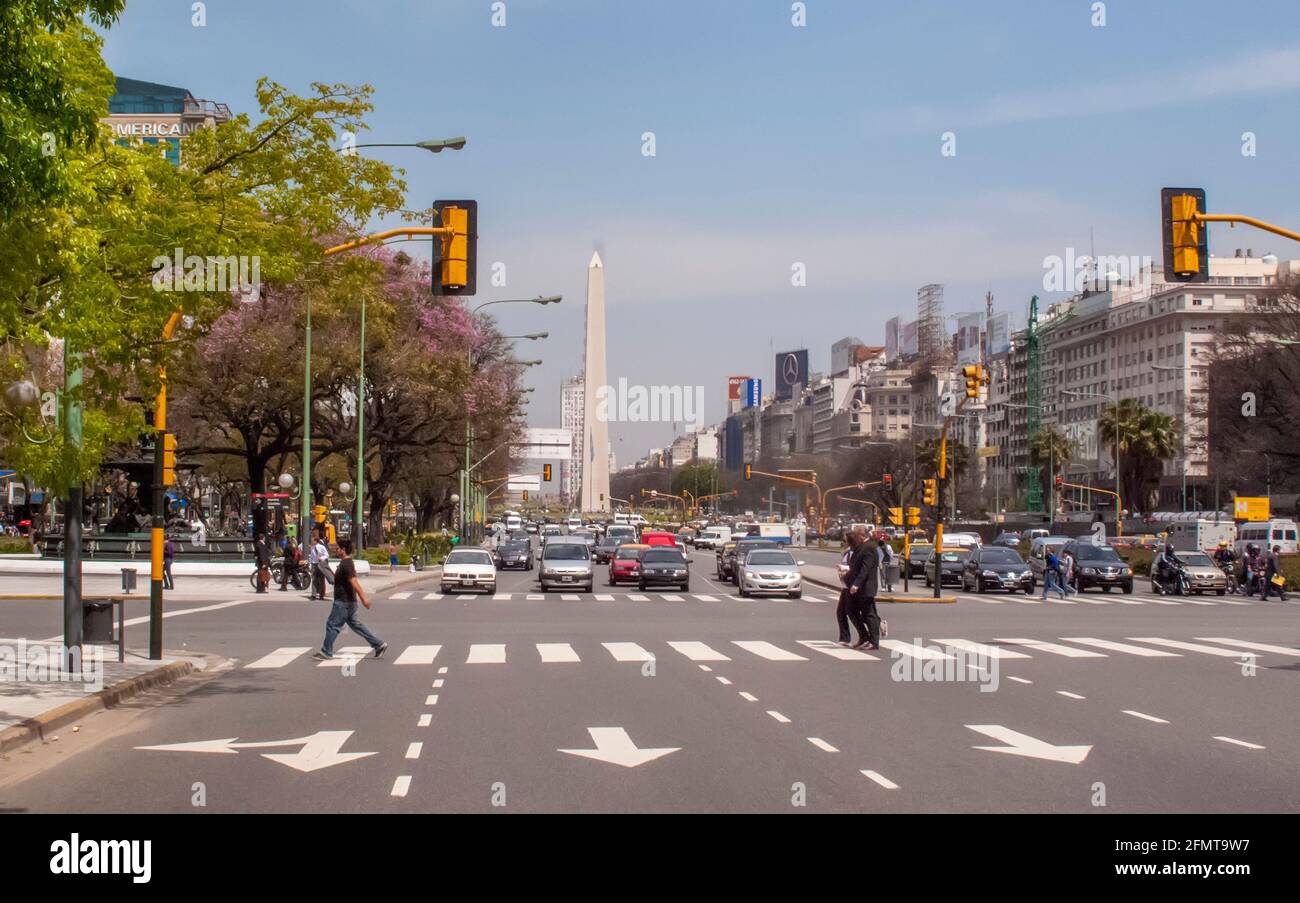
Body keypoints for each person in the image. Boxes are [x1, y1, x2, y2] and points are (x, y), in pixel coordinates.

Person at [312, 539, 388, 660]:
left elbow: (354, 582)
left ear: (343, 550)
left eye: (338, 548)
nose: (336, 550)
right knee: (356, 625)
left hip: (344, 602)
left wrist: (364, 599)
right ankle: (379, 645)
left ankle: (326, 652)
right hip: (349, 601)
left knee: (332, 625)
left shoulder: (346, 564)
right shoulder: (346, 563)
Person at [845, 525, 883, 651]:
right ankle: (864, 637)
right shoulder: (862, 547)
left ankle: (874, 641)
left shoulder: (870, 548)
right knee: (851, 610)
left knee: (869, 614)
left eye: (856, 535)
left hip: (865, 587)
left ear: (862, 535)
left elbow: (865, 569)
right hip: (857, 587)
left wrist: (856, 584)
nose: (854, 538)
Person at [834, 543, 854, 647]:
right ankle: (845, 638)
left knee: (853, 613)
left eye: (845, 540)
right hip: (845, 586)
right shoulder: (846, 552)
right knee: (841, 612)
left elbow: (854, 568)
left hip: (851, 587)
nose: (843, 542)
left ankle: (878, 623)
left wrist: (843, 568)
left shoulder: (853, 552)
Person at [308, 529, 331, 600]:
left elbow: (327, 555)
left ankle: (321, 595)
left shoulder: (321, 547)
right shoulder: (312, 547)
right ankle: (313, 595)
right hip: (314, 564)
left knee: (321, 580)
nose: (311, 541)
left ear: (316, 541)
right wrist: (310, 563)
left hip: (320, 564)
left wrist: (321, 558)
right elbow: (312, 556)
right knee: (314, 579)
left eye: (312, 540)